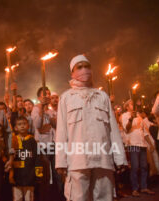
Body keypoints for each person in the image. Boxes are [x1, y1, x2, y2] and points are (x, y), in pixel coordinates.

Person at [55, 54, 127, 201]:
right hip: (77, 160)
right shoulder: (66, 98)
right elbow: (61, 132)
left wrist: (120, 158)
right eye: (79, 67)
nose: (84, 70)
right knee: (79, 198)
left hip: (103, 159)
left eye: (87, 66)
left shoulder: (102, 96)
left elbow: (113, 129)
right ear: (72, 73)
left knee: (104, 197)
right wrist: (61, 161)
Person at [121, 99, 155, 196]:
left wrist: (150, 144)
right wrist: (131, 119)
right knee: (135, 167)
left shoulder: (139, 116)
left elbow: (143, 131)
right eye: (131, 104)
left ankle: (144, 187)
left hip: (142, 144)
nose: (133, 105)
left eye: (133, 103)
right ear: (127, 107)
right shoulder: (124, 116)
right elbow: (126, 129)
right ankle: (135, 189)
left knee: (144, 167)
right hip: (133, 144)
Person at [10, 116, 42, 201]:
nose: (22, 126)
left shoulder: (32, 141)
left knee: (29, 198)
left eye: (24, 124)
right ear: (15, 128)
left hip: (29, 176)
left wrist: (38, 174)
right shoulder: (13, 140)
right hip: (16, 176)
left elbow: (37, 158)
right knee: (17, 198)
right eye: (19, 124)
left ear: (28, 126)